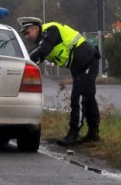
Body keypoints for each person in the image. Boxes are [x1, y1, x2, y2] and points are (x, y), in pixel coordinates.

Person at [17, 17, 101, 146]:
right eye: (24, 35)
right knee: (88, 97)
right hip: (77, 64)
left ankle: (73, 134)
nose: (26, 37)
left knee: (78, 98)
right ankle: (93, 134)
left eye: (27, 33)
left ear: (36, 28)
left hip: (87, 59)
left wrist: (22, 63)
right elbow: (39, 54)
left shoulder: (52, 30)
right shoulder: (41, 39)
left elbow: (42, 51)